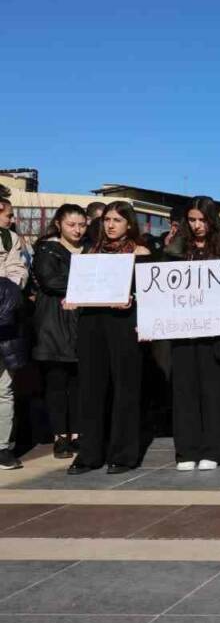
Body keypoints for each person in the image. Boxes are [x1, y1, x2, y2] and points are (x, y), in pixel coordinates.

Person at [68, 201, 151, 474]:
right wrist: (72, 298)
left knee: (125, 389)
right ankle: (89, 454)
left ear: (129, 223)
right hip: (93, 325)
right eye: (107, 220)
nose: (111, 225)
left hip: (124, 326)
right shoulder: (91, 252)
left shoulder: (140, 252)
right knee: (91, 389)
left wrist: (133, 299)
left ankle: (123, 454)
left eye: (117, 220)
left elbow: (150, 295)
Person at [166, 196, 220, 470]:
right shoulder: (175, 250)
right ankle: (186, 450)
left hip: (216, 333)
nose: (197, 225)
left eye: (202, 220)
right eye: (192, 220)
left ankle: (214, 449)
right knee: (184, 391)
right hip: (182, 332)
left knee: (214, 392)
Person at [30, 204, 88, 459]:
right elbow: (50, 281)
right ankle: (59, 436)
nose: (77, 230)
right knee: (56, 383)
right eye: (71, 225)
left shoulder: (90, 249)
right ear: (59, 225)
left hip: (82, 323)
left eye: (81, 224)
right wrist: (88, 282)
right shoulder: (47, 250)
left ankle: (77, 432)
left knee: (79, 383)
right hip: (53, 325)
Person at [0, 278, 29, 470]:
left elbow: (7, 316)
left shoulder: (7, 286)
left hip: (4, 344)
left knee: (3, 393)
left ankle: (1, 448)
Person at [0, 199, 30, 288]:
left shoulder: (10, 237)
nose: (12, 221)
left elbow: (16, 268)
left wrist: (11, 288)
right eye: (9, 216)